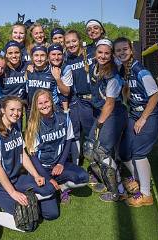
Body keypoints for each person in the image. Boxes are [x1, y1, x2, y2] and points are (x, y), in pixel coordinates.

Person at [0, 96, 59, 221]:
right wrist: (13, 193)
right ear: (3, 110)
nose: (16, 113)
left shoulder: (16, 128)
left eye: (19, 110)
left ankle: (29, 199)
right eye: (12, 109)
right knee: (26, 218)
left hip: (17, 178)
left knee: (51, 211)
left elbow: (23, 154)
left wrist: (36, 175)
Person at [114, 37, 158, 207]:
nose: (122, 52)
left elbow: (155, 95)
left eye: (125, 49)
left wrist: (143, 118)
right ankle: (141, 180)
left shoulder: (140, 70)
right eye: (118, 50)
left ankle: (146, 194)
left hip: (148, 116)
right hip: (134, 115)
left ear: (131, 50)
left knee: (139, 153)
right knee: (124, 151)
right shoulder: (124, 69)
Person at [25, 89, 89, 204]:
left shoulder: (64, 118)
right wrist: (48, 178)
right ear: (36, 105)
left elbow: (69, 141)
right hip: (41, 168)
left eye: (46, 101)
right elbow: (33, 156)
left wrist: (60, 163)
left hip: (57, 166)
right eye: (40, 103)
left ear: (52, 101)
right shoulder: (33, 124)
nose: (44, 105)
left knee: (83, 177)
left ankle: (62, 187)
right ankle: (50, 188)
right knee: (51, 213)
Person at [87, 39, 127, 201]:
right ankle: (106, 181)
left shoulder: (113, 74)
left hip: (113, 114)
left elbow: (110, 103)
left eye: (106, 53)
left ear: (111, 55)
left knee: (102, 152)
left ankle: (118, 190)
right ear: (95, 53)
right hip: (102, 112)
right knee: (89, 149)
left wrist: (99, 124)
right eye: (100, 52)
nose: (103, 56)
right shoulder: (93, 67)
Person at [64, 30, 95, 165]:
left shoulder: (91, 52)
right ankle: (91, 163)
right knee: (87, 132)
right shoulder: (67, 59)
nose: (71, 44)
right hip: (81, 100)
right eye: (68, 42)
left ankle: (104, 163)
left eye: (74, 41)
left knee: (98, 133)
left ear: (80, 40)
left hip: (96, 98)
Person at [26, 45, 60, 110]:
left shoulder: (53, 71)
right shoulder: (29, 71)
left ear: (47, 57)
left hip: (49, 110)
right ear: (32, 57)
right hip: (32, 110)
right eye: (36, 55)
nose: (39, 59)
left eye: (42, 55)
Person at [47, 43, 72, 112]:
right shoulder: (45, 67)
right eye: (53, 54)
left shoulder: (66, 68)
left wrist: (58, 78)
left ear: (63, 56)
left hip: (62, 105)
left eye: (59, 54)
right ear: (48, 56)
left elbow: (66, 92)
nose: (56, 57)